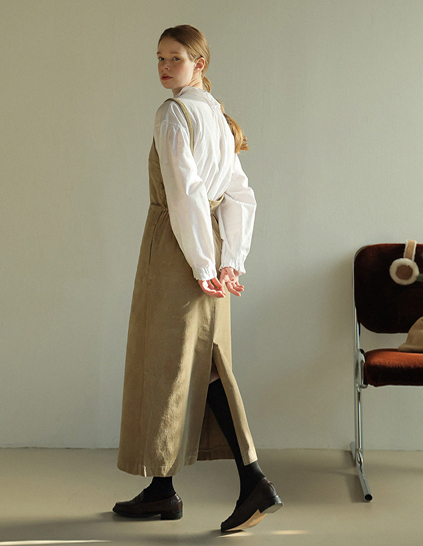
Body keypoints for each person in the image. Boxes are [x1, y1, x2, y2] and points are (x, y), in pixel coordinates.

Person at [113, 24, 282, 533]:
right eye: (159, 58)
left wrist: (207, 265)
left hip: (178, 250)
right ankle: (167, 490)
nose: (165, 67)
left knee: (168, 364)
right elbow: (239, 195)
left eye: (176, 58)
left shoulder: (173, 114)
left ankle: (250, 481)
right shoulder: (216, 116)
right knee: (204, 365)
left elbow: (184, 194)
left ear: (198, 64)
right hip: (205, 248)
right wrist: (231, 260)